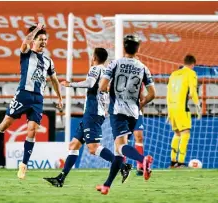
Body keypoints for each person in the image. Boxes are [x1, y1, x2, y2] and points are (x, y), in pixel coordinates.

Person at [0, 23, 63, 179]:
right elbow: (25, 42)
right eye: (40, 39)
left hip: (37, 99)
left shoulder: (48, 61)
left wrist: (59, 97)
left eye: (45, 39)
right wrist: (37, 29)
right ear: (34, 40)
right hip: (22, 95)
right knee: (5, 124)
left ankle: (23, 165)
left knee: (32, 131)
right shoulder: (26, 53)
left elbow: (54, 79)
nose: (43, 42)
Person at [43, 48, 132, 187]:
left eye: (92, 56)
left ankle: (123, 166)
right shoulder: (107, 71)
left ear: (94, 57)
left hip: (92, 112)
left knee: (93, 148)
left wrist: (69, 84)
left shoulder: (95, 69)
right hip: (94, 113)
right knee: (73, 145)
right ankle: (60, 179)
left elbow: (90, 83)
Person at [97, 34, 156, 195]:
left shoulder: (115, 63)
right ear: (138, 48)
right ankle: (107, 185)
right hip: (134, 112)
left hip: (118, 111)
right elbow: (152, 93)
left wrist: (108, 91)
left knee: (120, 146)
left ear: (124, 47)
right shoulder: (143, 67)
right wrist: (141, 103)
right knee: (118, 151)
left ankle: (142, 160)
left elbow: (102, 86)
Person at [167, 54, 201, 168]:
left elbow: (169, 92)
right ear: (193, 64)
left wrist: (168, 111)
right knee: (185, 133)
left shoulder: (174, 74)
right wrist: (198, 105)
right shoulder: (191, 73)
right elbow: (192, 92)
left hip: (172, 107)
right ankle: (180, 162)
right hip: (182, 107)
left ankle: (172, 161)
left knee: (177, 133)